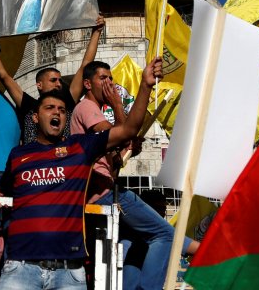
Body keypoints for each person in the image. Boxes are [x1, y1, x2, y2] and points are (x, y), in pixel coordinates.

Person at [0, 57, 163, 290]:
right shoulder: (18, 155)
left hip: (69, 274)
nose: (56, 112)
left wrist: (145, 86)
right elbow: (1, 192)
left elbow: (128, 129)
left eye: (61, 110)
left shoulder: (81, 148)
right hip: (19, 269)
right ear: (36, 118)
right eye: (49, 108)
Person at [71, 61, 199, 290]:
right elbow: (120, 133)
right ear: (88, 84)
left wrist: (124, 151)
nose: (109, 83)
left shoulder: (94, 113)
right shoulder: (86, 108)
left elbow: (115, 152)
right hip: (104, 194)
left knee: (135, 242)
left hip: (102, 190)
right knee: (165, 235)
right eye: (103, 78)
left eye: (111, 78)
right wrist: (118, 106)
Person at [0, 16, 104, 145]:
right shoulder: (28, 105)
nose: (59, 84)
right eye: (53, 80)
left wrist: (97, 32)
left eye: (60, 80)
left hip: (63, 161)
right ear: (39, 84)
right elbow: (3, 75)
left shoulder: (68, 101)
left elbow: (85, 64)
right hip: (34, 162)